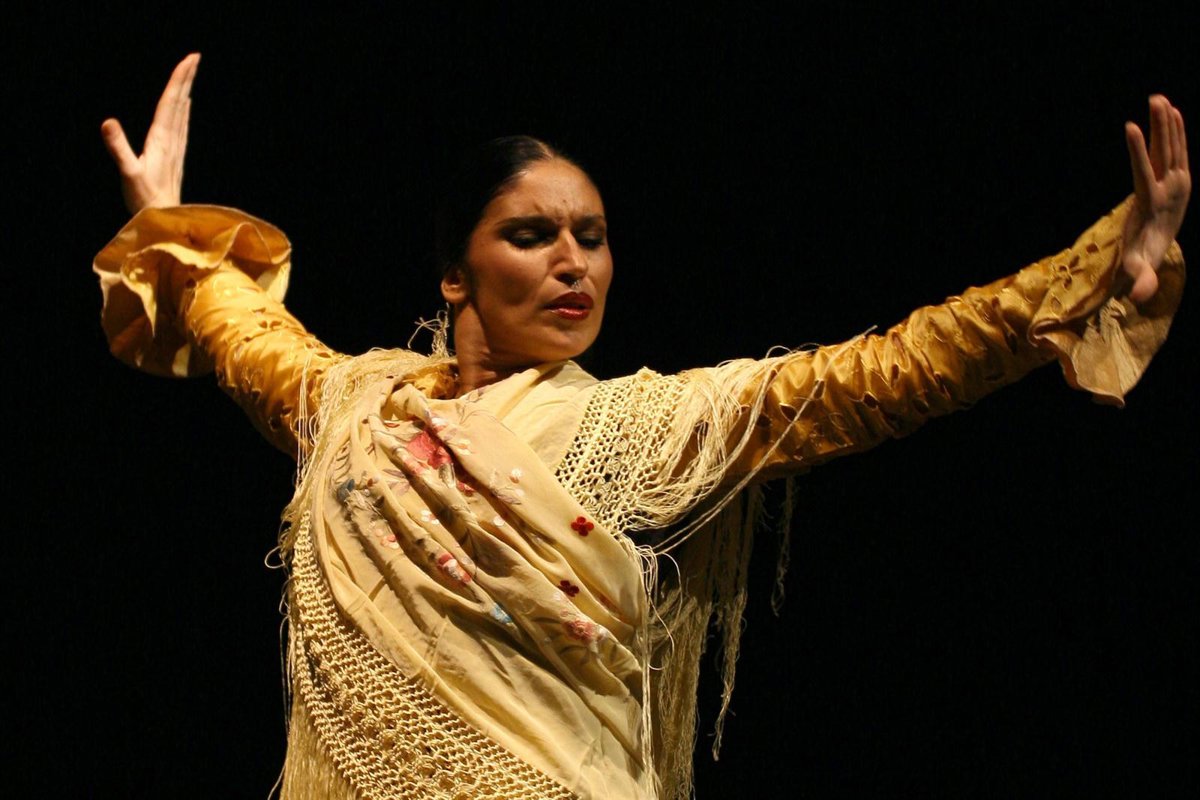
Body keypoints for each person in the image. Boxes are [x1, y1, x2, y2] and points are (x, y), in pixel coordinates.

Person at [95, 53, 1189, 799]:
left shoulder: (639, 424)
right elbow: (242, 327)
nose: (575, 261)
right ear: (455, 274)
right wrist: (164, 222)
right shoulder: (354, 408)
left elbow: (885, 371)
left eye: (594, 235)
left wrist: (1094, 269)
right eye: (533, 235)